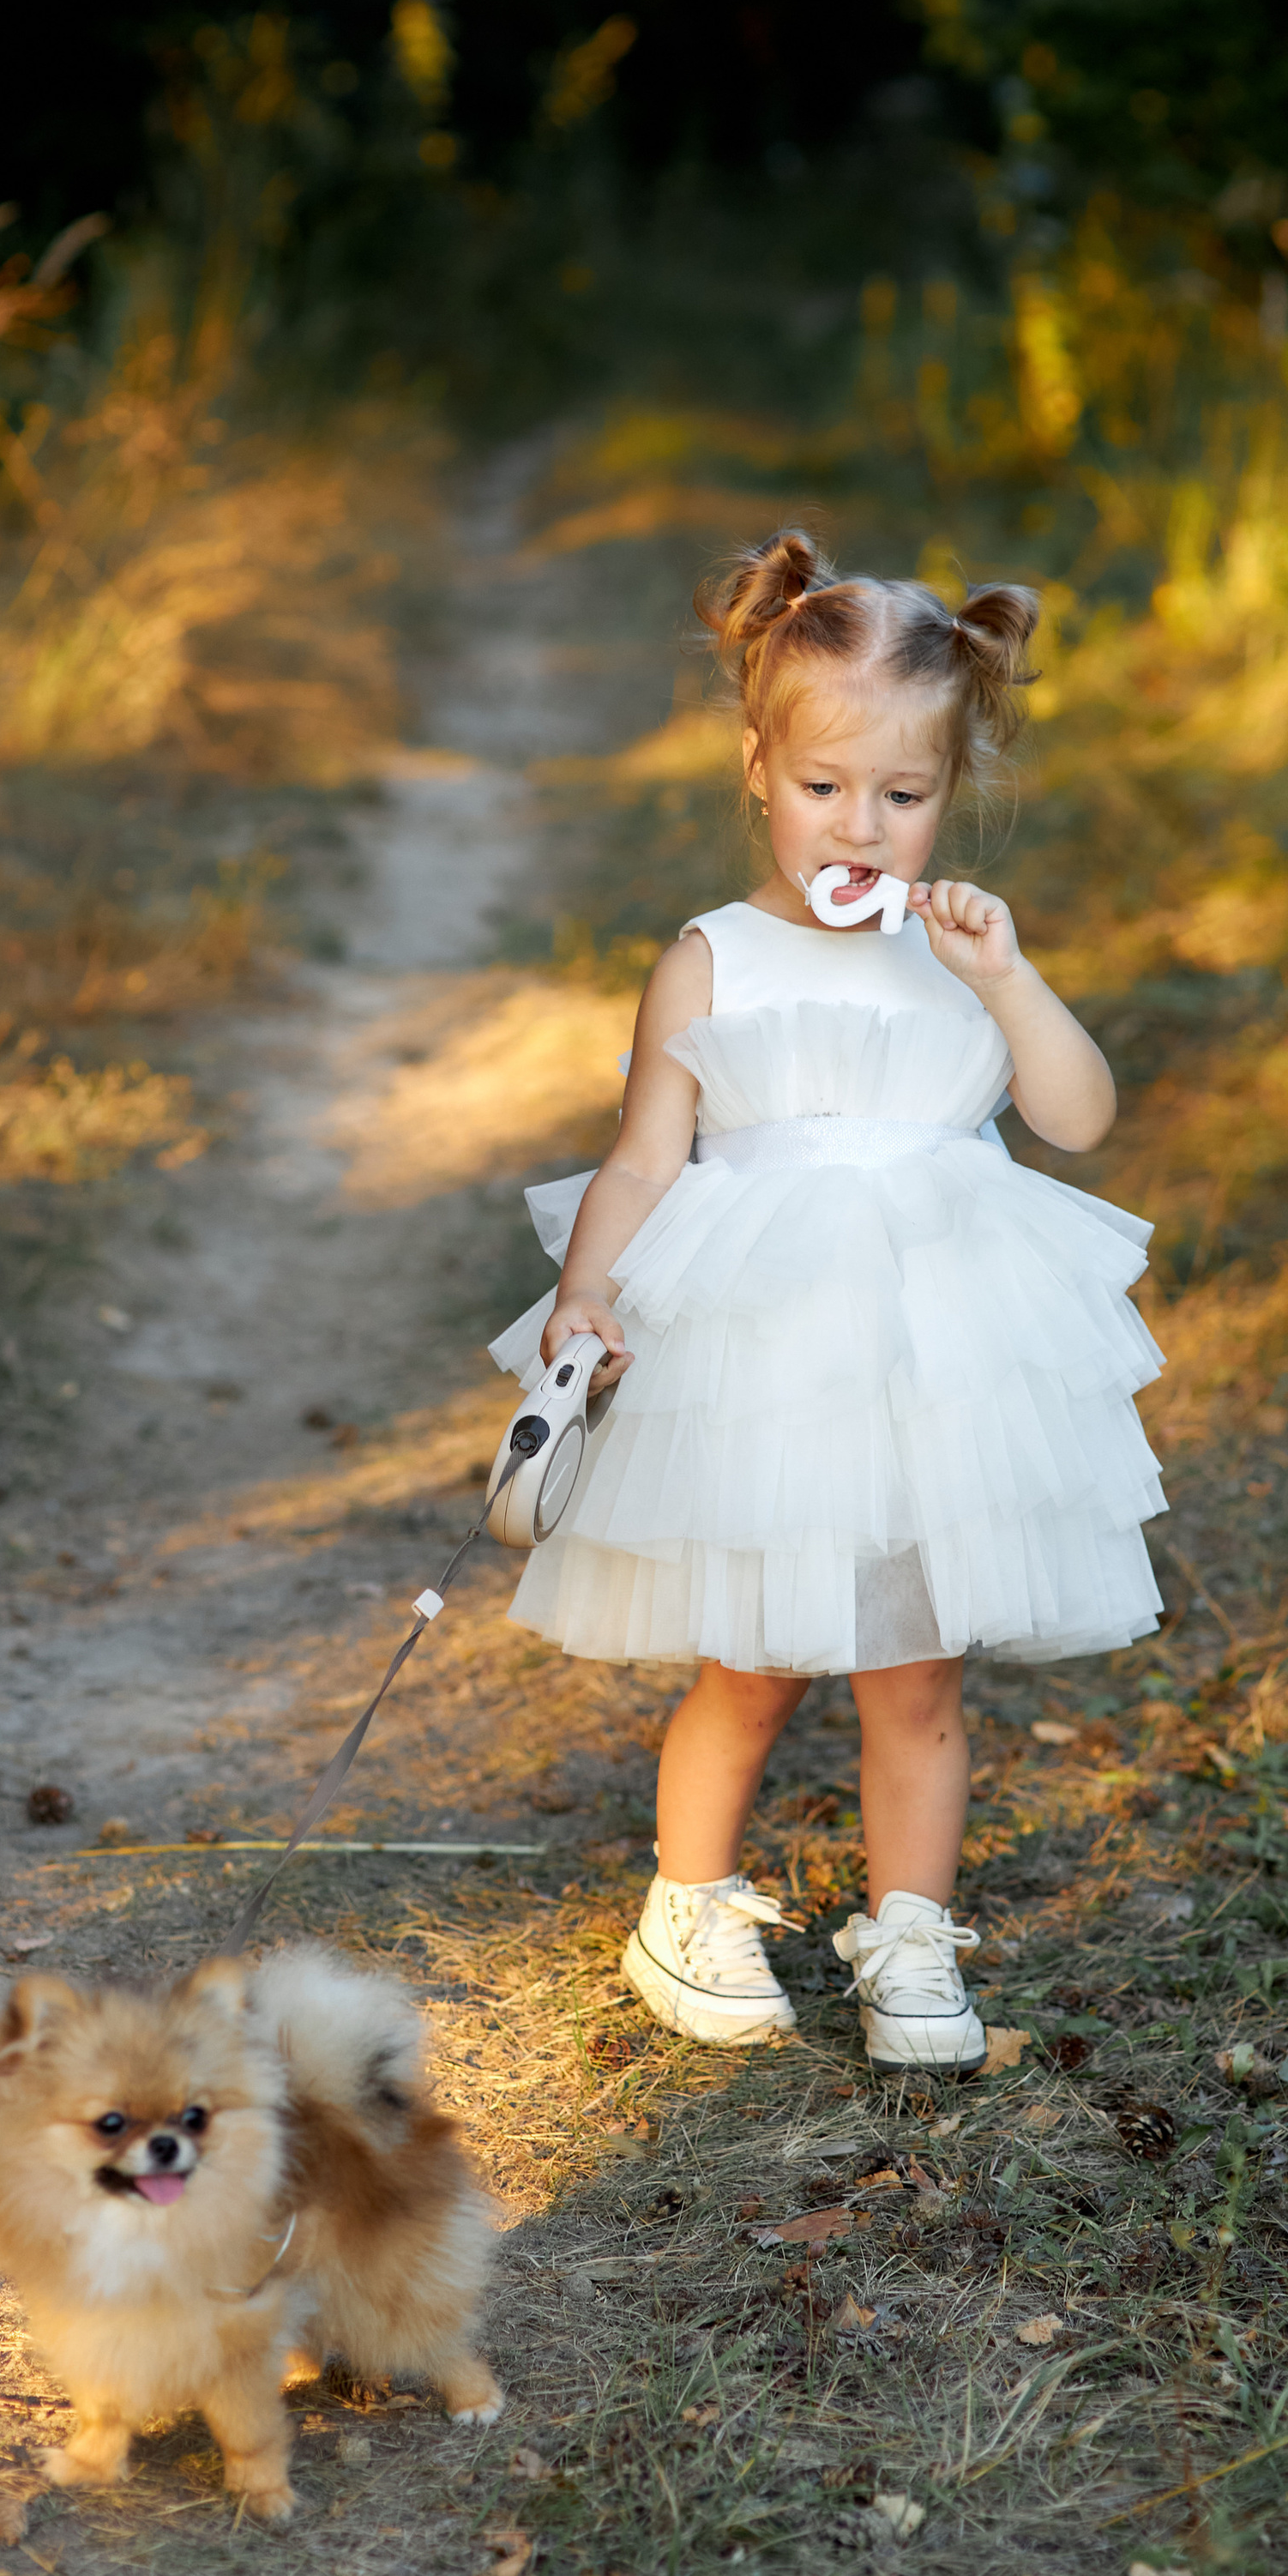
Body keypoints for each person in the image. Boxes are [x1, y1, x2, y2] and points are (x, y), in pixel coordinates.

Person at [487, 528, 1165, 2075]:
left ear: (952, 786)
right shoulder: (711, 962)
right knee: (756, 1656)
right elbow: (648, 1158)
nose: (860, 824)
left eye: (904, 797)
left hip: (936, 1373)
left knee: (919, 1673)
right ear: (756, 767)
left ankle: (911, 1932)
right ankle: (689, 1902)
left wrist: (1007, 981)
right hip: (772, 1370)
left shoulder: (963, 955)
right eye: (823, 789)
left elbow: (1077, 1118)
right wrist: (587, 1292)